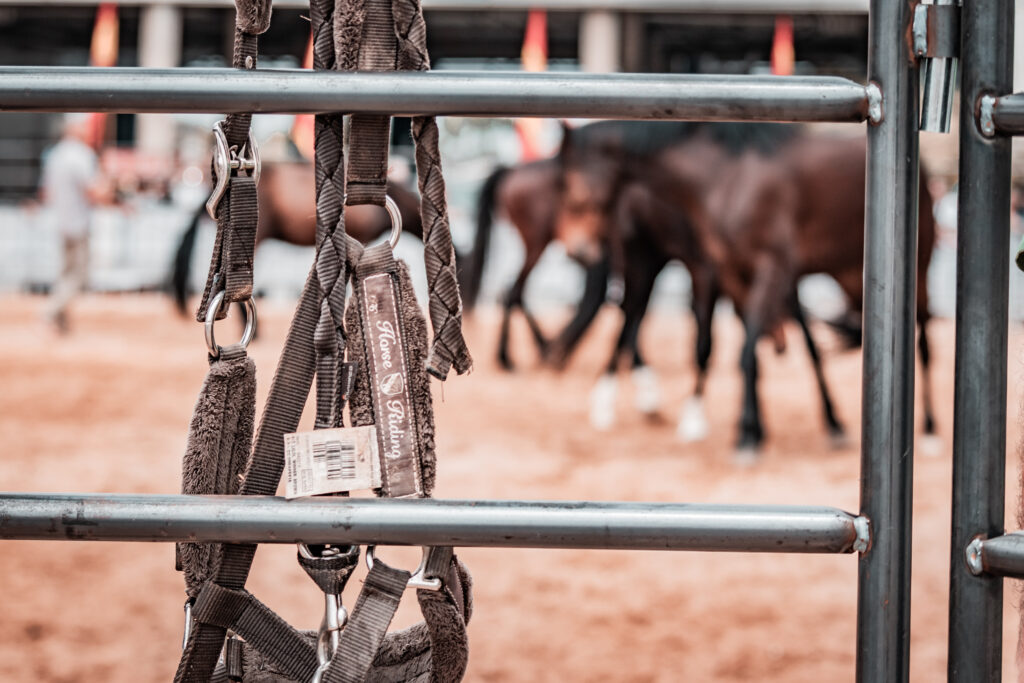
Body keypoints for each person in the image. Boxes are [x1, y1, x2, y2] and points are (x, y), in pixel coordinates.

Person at [39, 114, 110, 333]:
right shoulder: (81, 155)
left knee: (65, 273)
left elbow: (45, 192)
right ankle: (51, 311)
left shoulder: (55, 154)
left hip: (60, 220)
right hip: (78, 222)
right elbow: (94, 192)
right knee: (78, 275)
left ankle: (61, 324)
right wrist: (110, 184)